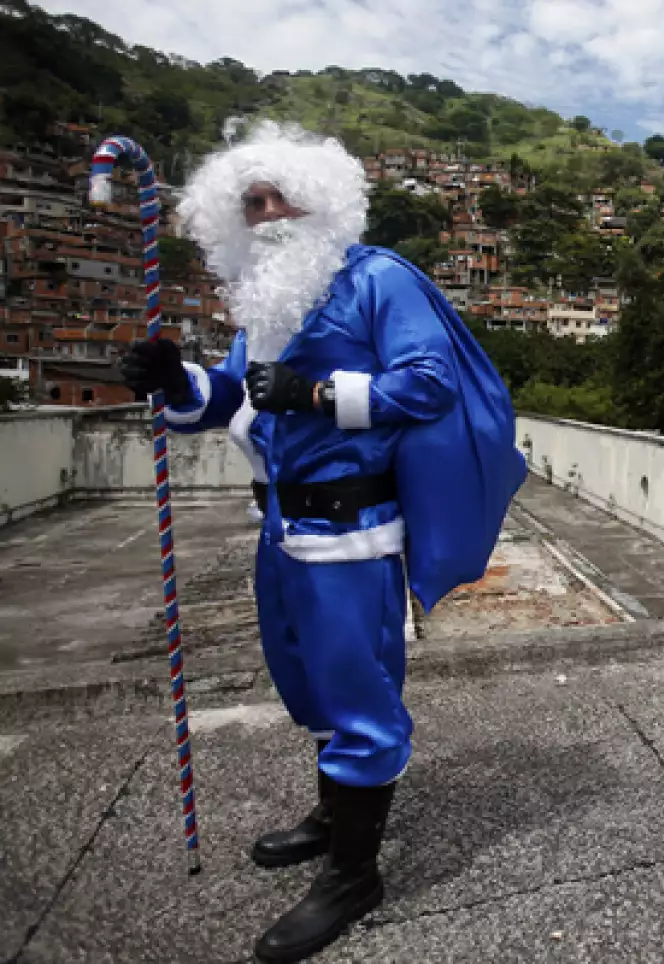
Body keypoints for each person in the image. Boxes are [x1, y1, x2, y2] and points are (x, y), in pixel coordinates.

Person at [119, 121, 524, 964]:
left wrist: (312, 391)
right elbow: (239, 394)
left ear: (323, 200)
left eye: (281, 196)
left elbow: (426, 382)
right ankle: (334, 813)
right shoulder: (267, 301)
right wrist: (177, 382)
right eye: (252, 202)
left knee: (357, 691)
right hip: (279, 526)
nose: (267, 214)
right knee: (305, 680)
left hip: (352, 531)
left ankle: (354, 874)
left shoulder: (378, 279)